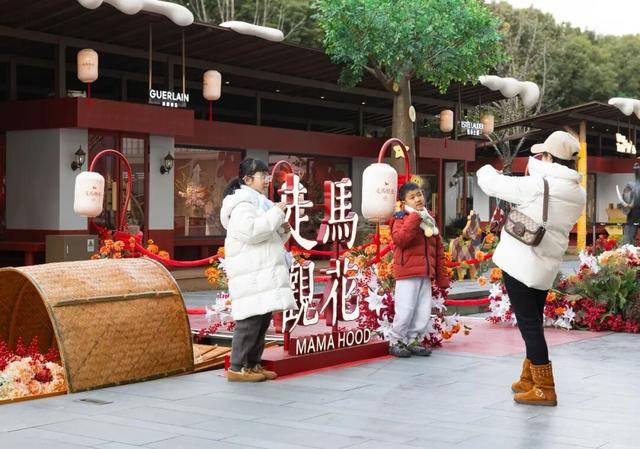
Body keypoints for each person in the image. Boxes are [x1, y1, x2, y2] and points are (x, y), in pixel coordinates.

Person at [477, 131, 586, 406]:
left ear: (549, 157)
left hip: (521, 262)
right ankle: (529, 378)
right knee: (533, 321)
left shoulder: (539, 185)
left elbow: (491, 184)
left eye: (543, 155)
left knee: (529, 326)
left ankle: (545, 388)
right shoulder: (578, 193)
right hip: (546, 264)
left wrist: (485, 168)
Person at [220, 158, 295, 382]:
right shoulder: (242, 205)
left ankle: (252, 365)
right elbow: (252, 232)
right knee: (250, 319)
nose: (267, 180)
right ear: (248, 179)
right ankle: (237, 367)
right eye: (262, 176)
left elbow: (269, 236)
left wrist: (282, 228)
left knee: (262, 319)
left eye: (266, 175)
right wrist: (276, 214)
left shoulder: (260, 203)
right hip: (251, 271)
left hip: (260, 269)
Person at [389, 182, 450, 357]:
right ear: (404, 201)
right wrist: (415, 218)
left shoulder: (429, 219)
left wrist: (441, 276)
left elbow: (438, 250)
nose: (418, 199)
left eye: (420, 194)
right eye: (412, 197)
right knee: (405, 309)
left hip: (425, 273)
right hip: (407, 273)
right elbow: (400, 240)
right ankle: (396, 341)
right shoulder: (400, 217)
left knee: (422, 311)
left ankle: (413, 340)